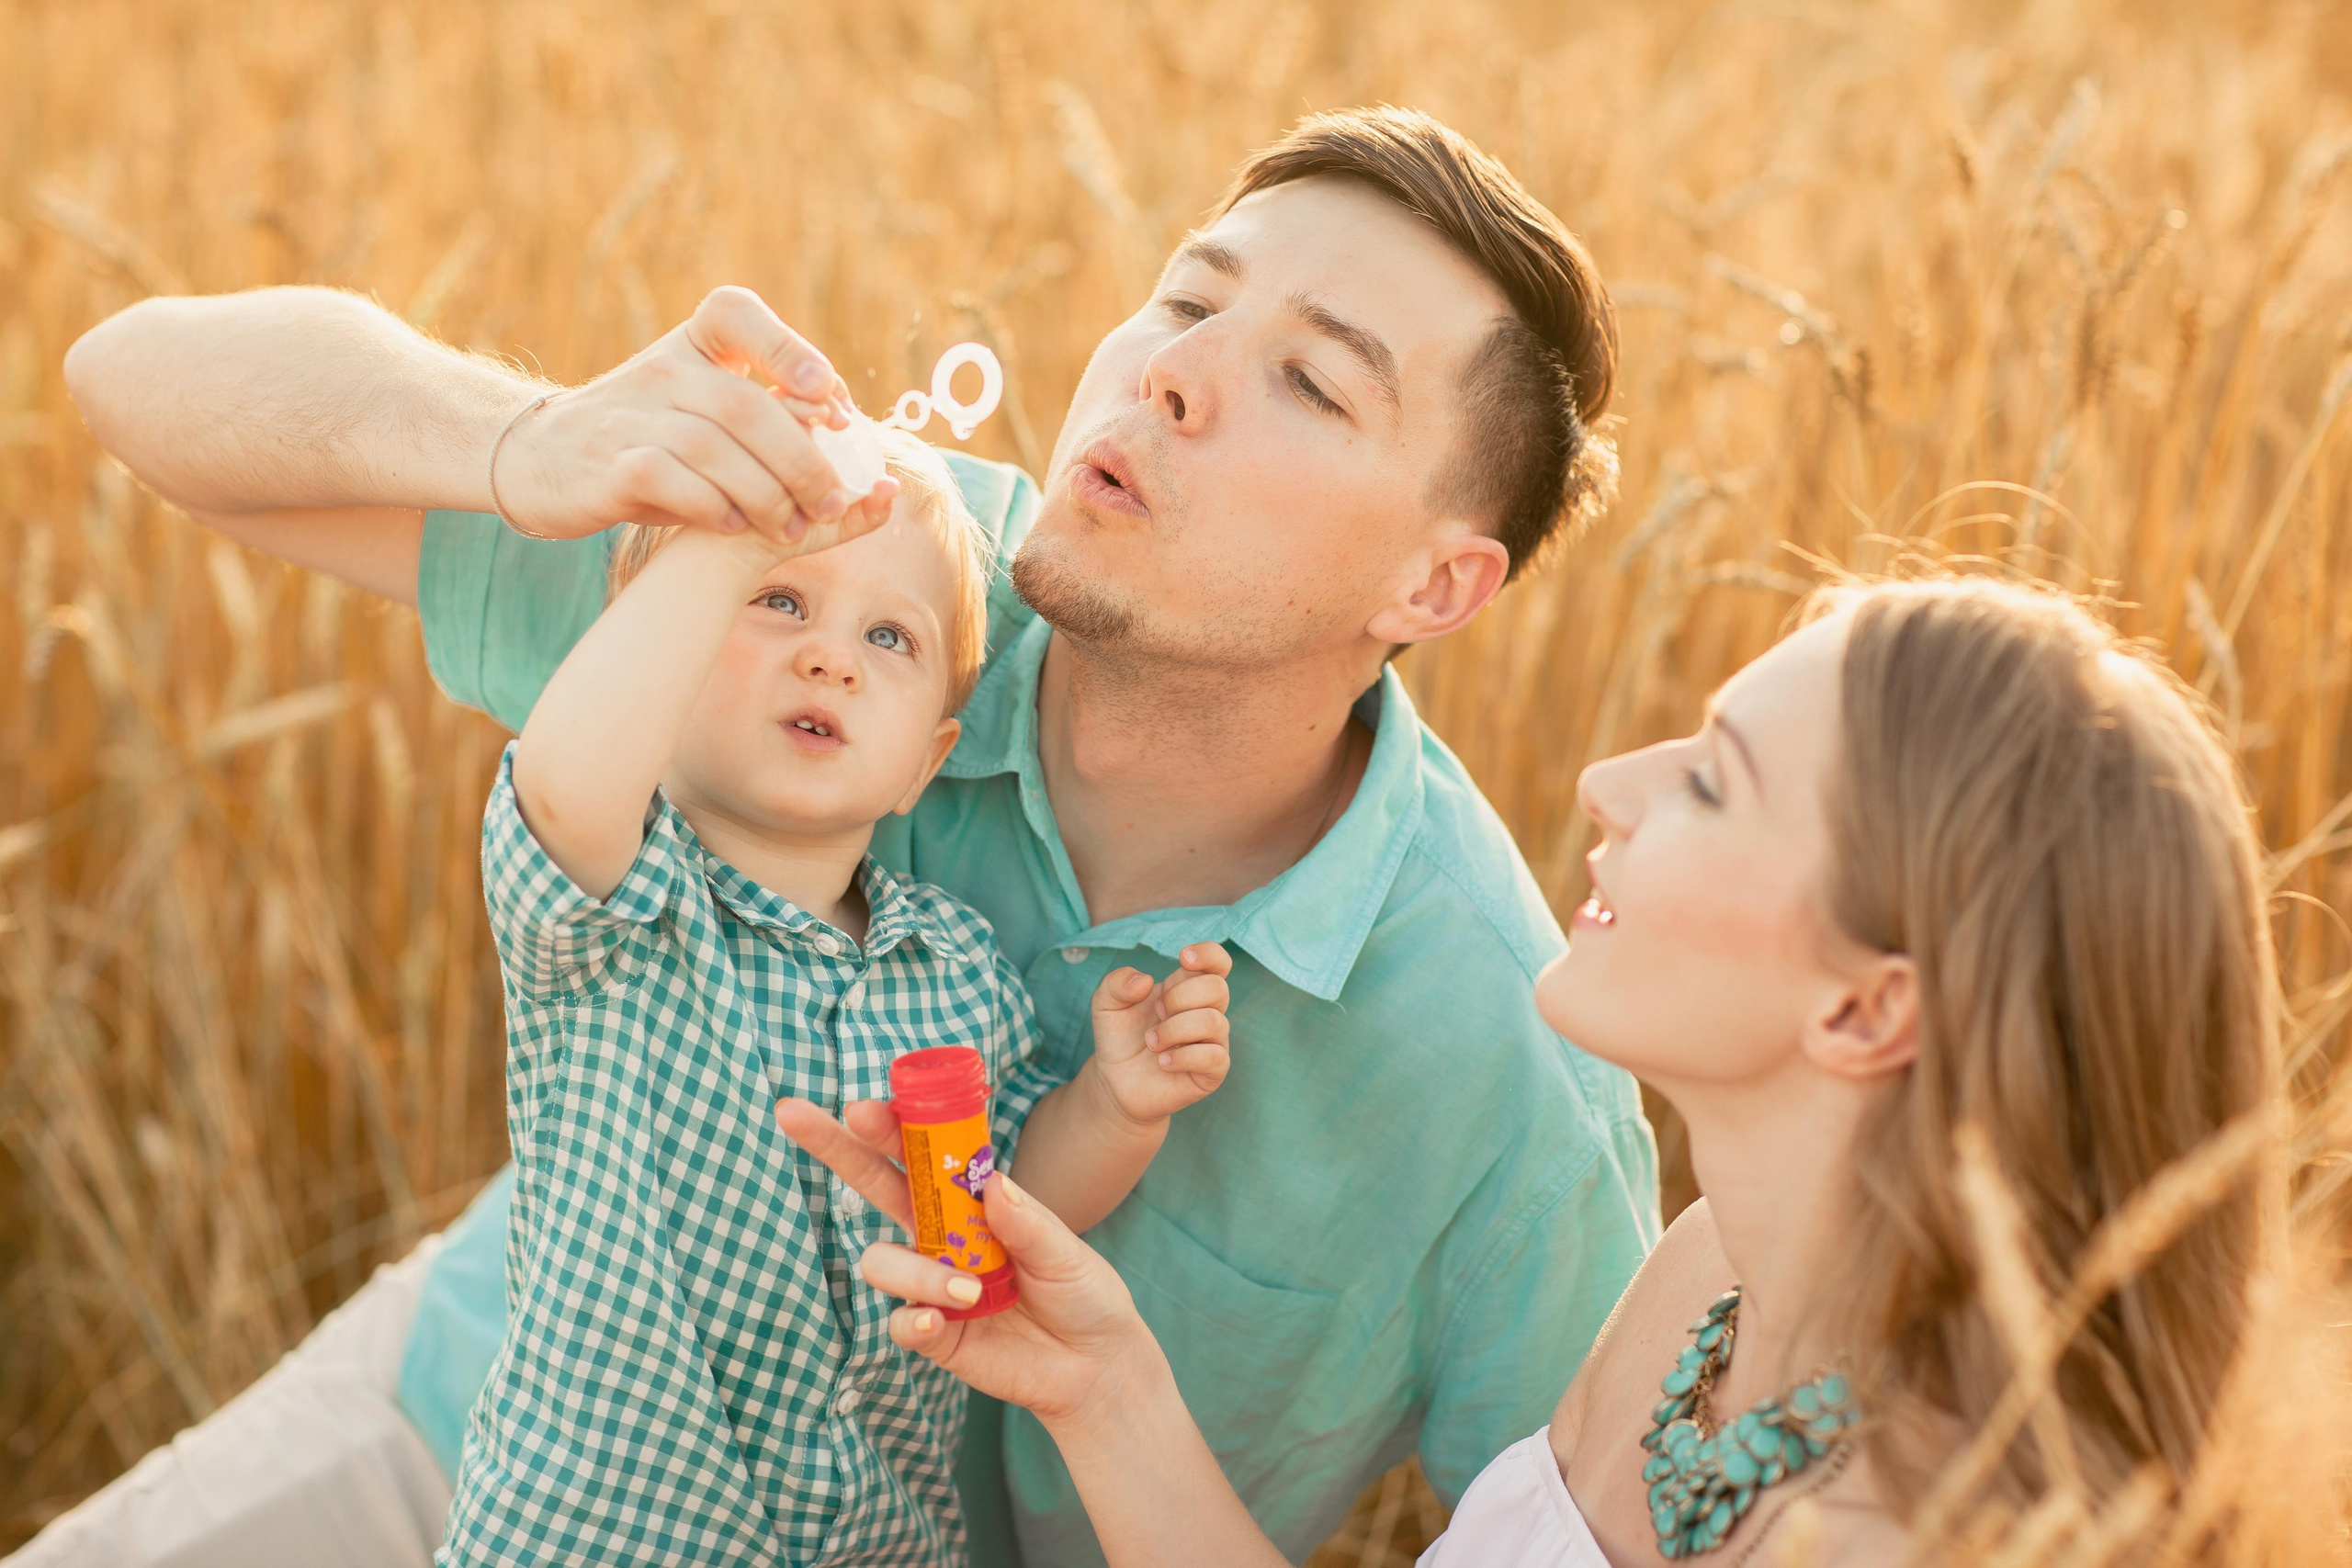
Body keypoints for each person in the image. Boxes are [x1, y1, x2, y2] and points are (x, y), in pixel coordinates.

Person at [32, 107, 1659, 1568]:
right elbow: (136, 379)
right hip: (474, 1433)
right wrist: (536, 446)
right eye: (1186, 298)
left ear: (1435, 586)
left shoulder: (1508, 1088)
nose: (1173, 368)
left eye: (1310, 379)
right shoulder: (863, 572)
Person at [789, 577, 2286, 1567]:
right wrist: (1106, 1387)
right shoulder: (1707, 1280)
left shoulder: (1903, 1539)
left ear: (1864, 1010)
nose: (1605, 784)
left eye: (1710, 778)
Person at [446, 429, 1234, 1565]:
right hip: (598, 1538)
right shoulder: (623, 901)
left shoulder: (954, 970)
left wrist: (1117, 1106)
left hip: (871, 1542)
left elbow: (989, 1213)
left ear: (927, 759)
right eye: (776, 599)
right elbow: (565, 782)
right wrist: (722, 543)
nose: (833, 661)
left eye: (887, 636)